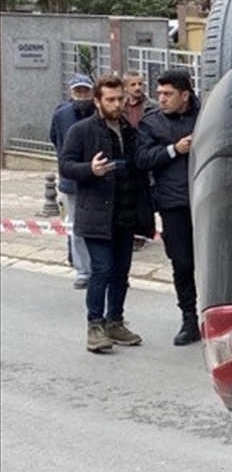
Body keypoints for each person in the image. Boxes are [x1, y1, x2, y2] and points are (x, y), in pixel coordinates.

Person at [59, 73, 155, 353]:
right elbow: (65, 165)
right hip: (96, 214)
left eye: (119, 99)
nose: (116, 104)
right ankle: (95, 326)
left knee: (121, 272)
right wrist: (90, 169)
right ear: (98, 101)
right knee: (101, 270)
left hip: (125, 213)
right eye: (110, 99)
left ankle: (115, 321)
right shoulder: (82, 131)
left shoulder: (129, 130)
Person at [135, 68, 200, 346]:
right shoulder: (152, 123)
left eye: (168, 94)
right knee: (182, 263)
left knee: (214, 263)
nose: (161, 98)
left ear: (185, 94)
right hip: (174, 203)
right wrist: (175, 149)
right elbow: (142, 158)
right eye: (159, 93)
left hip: (207, 200)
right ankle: (189, 319)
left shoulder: (206, 116)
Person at [49, 74, 96, 290]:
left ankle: (101, 269)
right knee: (76, 228)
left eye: (86, 91)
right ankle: (83, 271)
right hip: (71, 180)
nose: (82, 96)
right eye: (78, 92)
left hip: (97, 178)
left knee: (98, 227)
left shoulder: (99, 112)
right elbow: (55, 140)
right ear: (71, 93)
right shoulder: (61, 115)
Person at [122, 70, 156, 251]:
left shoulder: (152, 107)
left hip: (145, 156)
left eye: (140, 84)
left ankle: (143, 232)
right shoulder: (120, 107)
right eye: (133, 84)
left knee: (145, 197)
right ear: (126, 87)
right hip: (127, 157)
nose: (137, 88)